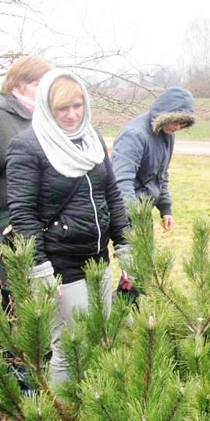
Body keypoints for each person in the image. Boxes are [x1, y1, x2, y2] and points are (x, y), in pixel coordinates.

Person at [6, 69, 129, 383]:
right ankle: (64, 406)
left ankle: (94, 400)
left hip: (98, 258)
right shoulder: (28, 146)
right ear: (48, 108)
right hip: (60, 264)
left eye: (78, 106)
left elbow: (111, 194)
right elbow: (22, 212)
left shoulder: (92, 138)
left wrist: (125, 244)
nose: (72, 115)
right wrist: (40, 269)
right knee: (71, 347)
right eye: (63, 108)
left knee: (100, 337)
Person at [0, 56, 53, 306]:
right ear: (17, 85)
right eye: (36, 84)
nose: (44, 90)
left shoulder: (42, 117)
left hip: (40, 221)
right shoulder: (3, 118)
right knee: (18, 301)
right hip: (9, 224)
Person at [111, 87, 195, 232]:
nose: (177, 127)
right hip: (124, 212)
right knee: (131, 247)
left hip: (142, 211)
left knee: (146, 247)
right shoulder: (134, 135)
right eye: (174, 121)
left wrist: (165, 208)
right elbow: (121, 180)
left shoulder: (166, 134)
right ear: (164, 115)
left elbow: (160, 176)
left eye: (182, 122)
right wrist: (133, 217)